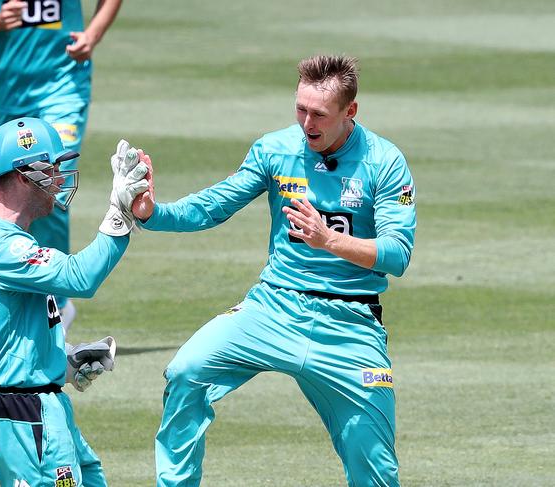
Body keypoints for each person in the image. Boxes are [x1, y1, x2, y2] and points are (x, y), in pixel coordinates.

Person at [131, 54, 416, 486]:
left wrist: (329, 240)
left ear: (350, 112)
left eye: (319, 114)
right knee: (186, 372)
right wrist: (153, 212)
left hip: (350, 326)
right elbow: (215, 205)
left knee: (374, 465)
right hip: (273, 308)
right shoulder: (275, 149)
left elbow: (397, 254)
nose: (307, 123)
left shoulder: (385, 162)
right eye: (300, 109)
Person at [0, 117, 148, 486]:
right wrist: (119, 212)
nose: (60, 179)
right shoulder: (2, 247)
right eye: (52, 168)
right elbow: (81, 277)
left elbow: (13, 335)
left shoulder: (3, 240)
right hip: (25, 412)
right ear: (21, 175)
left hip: (38, 406)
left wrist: (64, 361)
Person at [0, 0, 123, 333]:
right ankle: (30, 292)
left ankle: (58, 299)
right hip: (11, 93)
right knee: (19, 185)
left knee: (50, 176)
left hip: (64, 84)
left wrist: (93, 34)